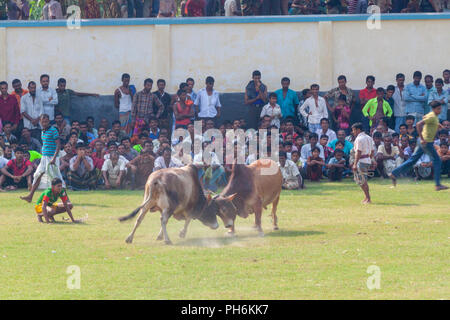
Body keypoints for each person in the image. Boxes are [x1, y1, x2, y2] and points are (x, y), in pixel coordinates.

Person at [389, 101, 448, 191]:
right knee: (437, 161)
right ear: (434, 109)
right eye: (438, 109)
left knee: (412, 160)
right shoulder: (432, 116)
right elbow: (418, 124)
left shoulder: (433, 116)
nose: (440, 110)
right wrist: (422, 138)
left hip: (423, 142)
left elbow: (426, 119)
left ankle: (394, 173)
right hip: (426, 142)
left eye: (440, 108)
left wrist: (438, 125)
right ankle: (437, 184)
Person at [20, 114, 65, 203]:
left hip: (52, 157)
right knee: (37, 175)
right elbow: (45, 145)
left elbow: (58, 145)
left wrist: (54, 158)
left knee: (56, 178)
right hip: (44, 157)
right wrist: (42, 157)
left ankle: (65, 199)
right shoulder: (43, 131)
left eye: (46, 121)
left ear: (49, 121)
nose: (44, 123)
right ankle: (30, 196)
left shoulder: (53, 130)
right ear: (40, 122)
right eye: (42, 121)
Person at [352, 122, 375, 204]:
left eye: (354, 130)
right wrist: (370, 159)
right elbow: (372, 151)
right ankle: (366, 197)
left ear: (358, 130)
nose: (353, 132)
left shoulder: (359, 139)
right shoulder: (369, 138)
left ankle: (368, 198)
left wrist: (355, 163)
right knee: (362, 180)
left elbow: (358, 152)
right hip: (367, 160)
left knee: (362, 180)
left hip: (361, 161)